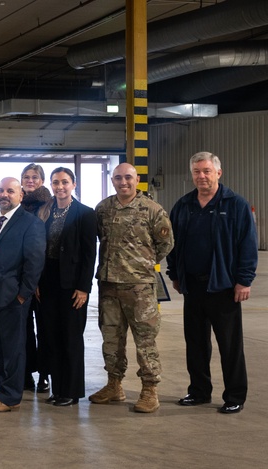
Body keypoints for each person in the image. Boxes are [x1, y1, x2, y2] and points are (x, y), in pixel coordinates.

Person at [167, 152, 255, 414]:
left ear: (218, 173)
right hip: (192, 286)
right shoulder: (183, 205)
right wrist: (175, 275)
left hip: (224, 286)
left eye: (206, 171)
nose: (201, 176)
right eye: (197, 171)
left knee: (230, 345)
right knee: (195, 343)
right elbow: (173, 244)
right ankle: (199, 391)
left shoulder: (235, 204)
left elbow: (247, 245)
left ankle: (235, 395)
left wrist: (244, 280)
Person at [90, 163, 173, 413]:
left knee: (145, 341)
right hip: (108, 286)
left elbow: (165, 243)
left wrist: (143, 264)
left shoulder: (152, 210)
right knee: (111, 340)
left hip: (139, 288)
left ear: (137, 179)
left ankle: (149, 390)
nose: (123, 182)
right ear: (112, 180)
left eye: (128, 177)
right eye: (118, 178)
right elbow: (98, 238)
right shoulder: (103, 209)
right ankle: (114, 385)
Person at [0, 177, 45, 413]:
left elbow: (34, 262)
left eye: (10, 191)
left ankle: (11, 396)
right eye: (1, 190)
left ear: (20, 195)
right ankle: (2, 387)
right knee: (0, 347)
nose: (5, 194)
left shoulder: (30, 223)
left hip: (13, 296)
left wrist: (23, 295)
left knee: (14, 349)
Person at [35, 168, 97, 407]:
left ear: (73, 184)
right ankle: (57, 388)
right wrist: (38, 282)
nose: (60, 186)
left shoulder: (85, 214)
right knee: (50, 337)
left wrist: (84, 288)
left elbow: (89, 254)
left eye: (64, 182)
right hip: (47, 282)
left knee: (70, 338)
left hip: (72, 285)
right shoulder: (46, 212)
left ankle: (71, 392)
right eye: (55, 182)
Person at [19, 163, 51, 394]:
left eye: (35, 177)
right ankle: (26, 372)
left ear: (41, 181)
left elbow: (46, 247)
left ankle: (45, 374)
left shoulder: (48, 206)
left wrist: (37, 281)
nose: (30, 180)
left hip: (42, 280)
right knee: (24, 330)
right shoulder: (17, 205)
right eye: (26, 177)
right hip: (19, 279)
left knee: (45, 329)